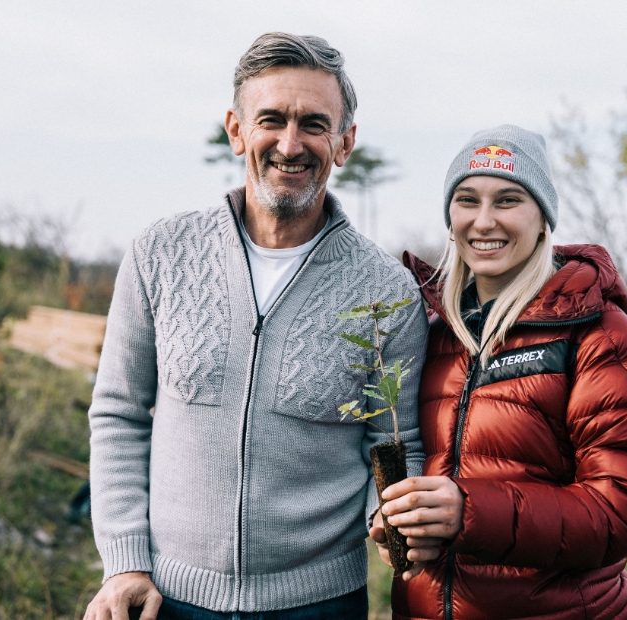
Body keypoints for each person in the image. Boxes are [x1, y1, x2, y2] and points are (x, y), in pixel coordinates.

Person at [84, 33, 428, 620]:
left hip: (320, 605)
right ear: (236, 129)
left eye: (314, 125)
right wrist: (125, 564)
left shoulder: (386, 290)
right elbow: (118, 413)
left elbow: (396, 442)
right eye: (271, 119)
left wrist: (390, 519)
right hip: (168, 598)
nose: (290, 144)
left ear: (344, 142)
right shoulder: (159, 255)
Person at [373, 125, 627, 619]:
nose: (484, 221)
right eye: (467, 200)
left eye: (508, 200)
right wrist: (402, 524)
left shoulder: (602, 340)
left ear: (543, 220)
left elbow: (624, 508)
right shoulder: (430, 335)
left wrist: (466, 512)